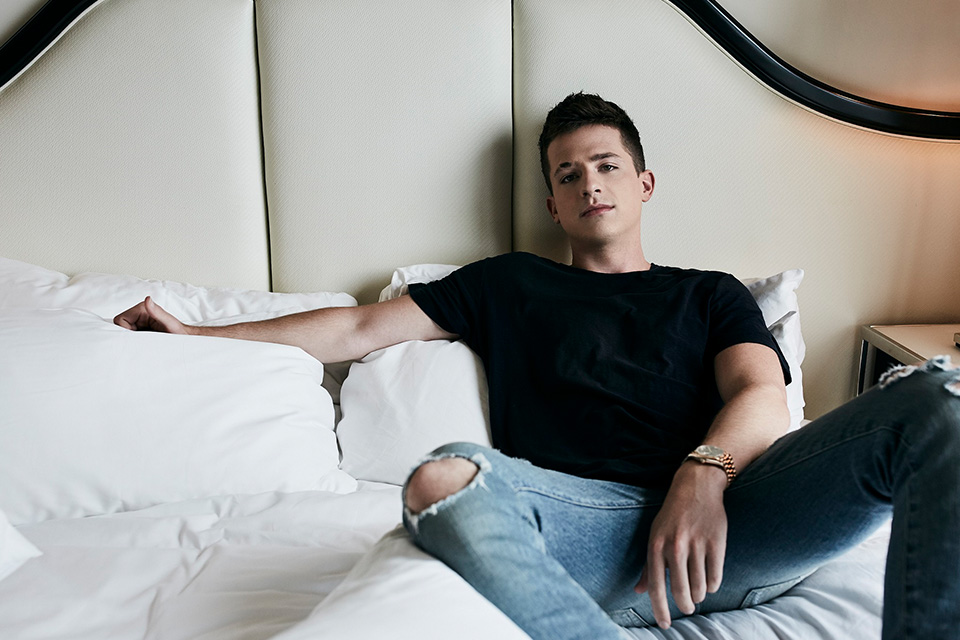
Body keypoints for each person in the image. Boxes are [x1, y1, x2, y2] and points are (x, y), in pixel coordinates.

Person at [115, 92, 960, 640]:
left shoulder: (709, 293)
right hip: (589, 533)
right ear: (553, 203)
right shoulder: (507, 284)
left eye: (607, 165)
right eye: (569, 174)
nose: (590, 183)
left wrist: (701, 475)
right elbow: (357, 328)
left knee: (938, 402)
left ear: (644, 183)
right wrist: (195, 335)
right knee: (442, 483)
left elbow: (761, 392)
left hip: (741, 522)